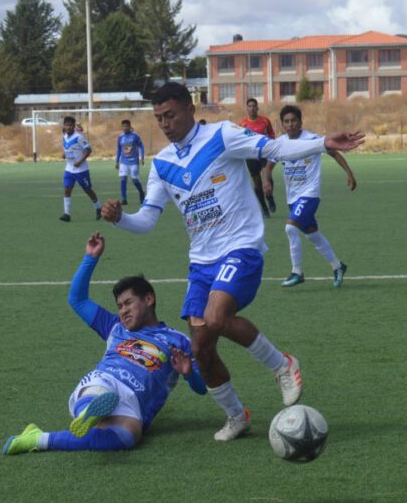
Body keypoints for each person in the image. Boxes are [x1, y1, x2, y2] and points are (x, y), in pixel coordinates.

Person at [101, 82, 364, 441]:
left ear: (189, 110)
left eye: (171, 115)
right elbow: (147, 219)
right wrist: (120, 219)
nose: (164, 124)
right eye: (159, 118)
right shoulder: (162, 165)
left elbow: (273, 147)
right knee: (200, 349)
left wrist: (323, 143)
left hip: (241, 247)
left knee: (216, 317)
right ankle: (236, 416)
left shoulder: (222, 135)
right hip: (201, 263)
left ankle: (282, 365)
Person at [3, 232, 207, 455]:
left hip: (134, 404)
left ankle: (38, 437)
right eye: (119, 306)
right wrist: (90, 258)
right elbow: (77, 300)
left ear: (149, 299)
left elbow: (202, 388)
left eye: (128, 303)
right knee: (99, 390)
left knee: (128, 437)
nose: (123, 311)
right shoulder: (114, 327)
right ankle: (88, 411)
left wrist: (188, 373)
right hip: (106, 380)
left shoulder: (179, 341)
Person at [262, 105, 356, 288]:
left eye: (293, 120)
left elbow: (335, 153)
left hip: (309, 195)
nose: (290, 124)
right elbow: (268, 166)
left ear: (300, 122)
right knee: (313, 236)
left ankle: (297, 272)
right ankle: (338, 266)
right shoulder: (280, 143)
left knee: (290, 229)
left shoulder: (312, 139)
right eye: (286, 122)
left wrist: (349, 173)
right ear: (282, 125)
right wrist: (267, 180)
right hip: (293, 198)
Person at [239, 98, 277, 217]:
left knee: (268, 176)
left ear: (257, 108)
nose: (252, 108)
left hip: (264, 155)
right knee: (257, 183)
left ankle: (270, 196)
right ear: (247, 108)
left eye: (254, 106)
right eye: (249, 106)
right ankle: (264, 208)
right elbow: (240, 140)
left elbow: (272, 135)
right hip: (251, 157)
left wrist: (269, 143)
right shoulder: (243, 124)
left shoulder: (265, 121)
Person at [60, 116, 101, 222]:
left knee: (88, 190)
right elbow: (66, 147)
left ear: (74, 126)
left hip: (81, 170)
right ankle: (67, 214)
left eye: (70, 125)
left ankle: (98, 208)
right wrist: (64, 154)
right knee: (67, 190)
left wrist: (80, 161)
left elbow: (88, 150)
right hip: (69, 169)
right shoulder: (64, 136)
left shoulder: (79, 137)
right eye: (66, 125)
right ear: (64, 126)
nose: (68, 127)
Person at [115, 120, 146, 205]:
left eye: (126, 126)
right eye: (123, 126)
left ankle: (141, 192)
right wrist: (117, 161)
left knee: (135, 180)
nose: (125, 128)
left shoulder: (135, 136)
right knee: (123, 179)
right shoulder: (120, 137)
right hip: (124, 162)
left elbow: (141, 146)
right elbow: (119, 149)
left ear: (129, 126)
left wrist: (142, 157)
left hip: (134, 161)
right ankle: (124, 199)